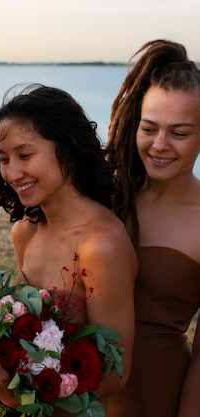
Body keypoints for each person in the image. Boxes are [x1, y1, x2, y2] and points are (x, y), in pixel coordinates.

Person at [0, 85, 137, 416]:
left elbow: (115, 376)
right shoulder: (24, 232)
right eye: (4, 159)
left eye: (25, 155)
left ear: (67, 148)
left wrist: (16, 400)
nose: (13, 173)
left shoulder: (99, 245)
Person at [105, 39, 200, 417]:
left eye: (179, 133)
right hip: (78, 390)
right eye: (149, 128)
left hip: (158, 396)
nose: (159, 145)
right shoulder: (107, 196)